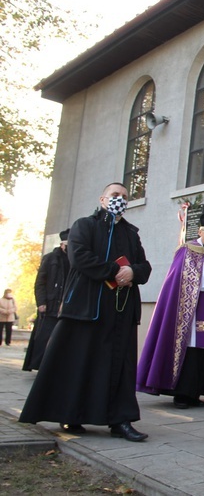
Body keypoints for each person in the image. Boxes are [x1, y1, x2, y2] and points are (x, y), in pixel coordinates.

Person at [19, 183, 152, 442]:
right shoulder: (84, 225)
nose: (120, 200)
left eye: (125, 197)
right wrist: (115, 271)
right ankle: (72, 415)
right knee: (79, 363)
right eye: (115, 195)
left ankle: (120, 420)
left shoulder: (131, 233)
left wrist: (133, 272)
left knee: (118, 367)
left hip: (121, 311)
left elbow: (145, 267)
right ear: (102, 198)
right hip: (86, 309)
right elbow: (80, 258)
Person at [137, 212, 204, 409]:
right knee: (191, 352)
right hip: (189, 316)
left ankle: (194, 394)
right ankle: (181, 395)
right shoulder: (186, 250)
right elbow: (178, 281)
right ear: (200, 231)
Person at [23, 229, 71, 370]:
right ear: (63, 244)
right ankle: (39, 365)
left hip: (65, 307)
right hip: (49, 305)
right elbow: (40, 283)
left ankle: (55, 367)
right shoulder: (50, 258)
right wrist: (41, 302)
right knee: (44, 337)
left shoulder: (74, 260)